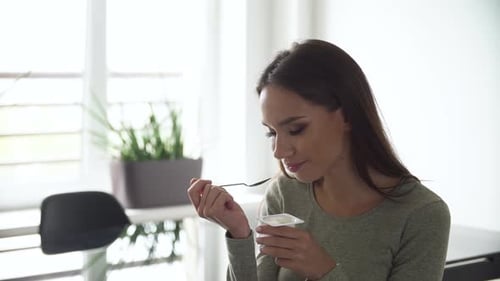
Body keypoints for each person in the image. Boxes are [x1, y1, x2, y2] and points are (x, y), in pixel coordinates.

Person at [187, 39, 450, 281]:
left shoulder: (422, 215)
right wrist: (239, 233)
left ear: (347, 115)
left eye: (296, 129)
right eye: (271, 132)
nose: (278, 151)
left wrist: (324, 271)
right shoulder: (284, 194)